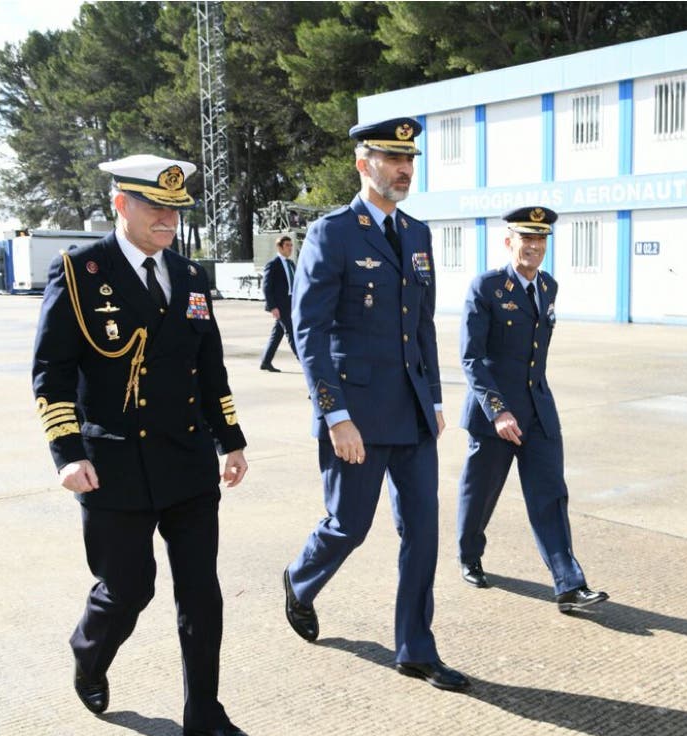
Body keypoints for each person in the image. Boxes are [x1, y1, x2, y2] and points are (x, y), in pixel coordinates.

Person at [31, 154, 257, 736]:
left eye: (176, 208)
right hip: (114, 467)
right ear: (120, 206)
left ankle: (204, 711)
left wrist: (229, 438)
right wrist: (66, 453)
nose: (168, 218)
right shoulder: (80, 272)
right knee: (128, 589)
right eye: (155, 206)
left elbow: (208, 365)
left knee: (201, 595)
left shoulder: (188, 275)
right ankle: (90, 652)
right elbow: (51, 374)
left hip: (186, 460)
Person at [282, 118, 469, 692]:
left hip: (412, 411)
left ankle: (415, 648)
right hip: (356, 415)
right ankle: (299, 581)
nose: (404, 168)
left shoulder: (417, 233)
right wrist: (334, 413)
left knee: (422, 532)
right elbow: (308, 330)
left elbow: (423, 324)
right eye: (392, 158)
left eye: (409, 158)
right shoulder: (333, 232)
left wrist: (433, 396)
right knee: (349, 526)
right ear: (364, 164)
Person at [456, 206, 609, 613]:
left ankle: (569, 585)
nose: (535, 247)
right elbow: (471, 358)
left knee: (551, 495)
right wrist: (498, 410)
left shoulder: (548, 286)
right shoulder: (485, 287)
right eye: (527, 239)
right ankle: (469, 554)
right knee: (481, 494)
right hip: (496, 415)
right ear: (510, 242)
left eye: (541, 240)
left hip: (539, 409)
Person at [259, 235, 299, 372]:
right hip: (280, 306)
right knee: (292, 333)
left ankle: (265, 361)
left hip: (291, 303)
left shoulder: (291, 264)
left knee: (277, 333)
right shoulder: (273, 264)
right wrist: (273, 307)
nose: (290, 248)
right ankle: (303, 360)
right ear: (280, 247)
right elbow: (266, 287)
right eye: (287, 245)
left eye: (291, 245)